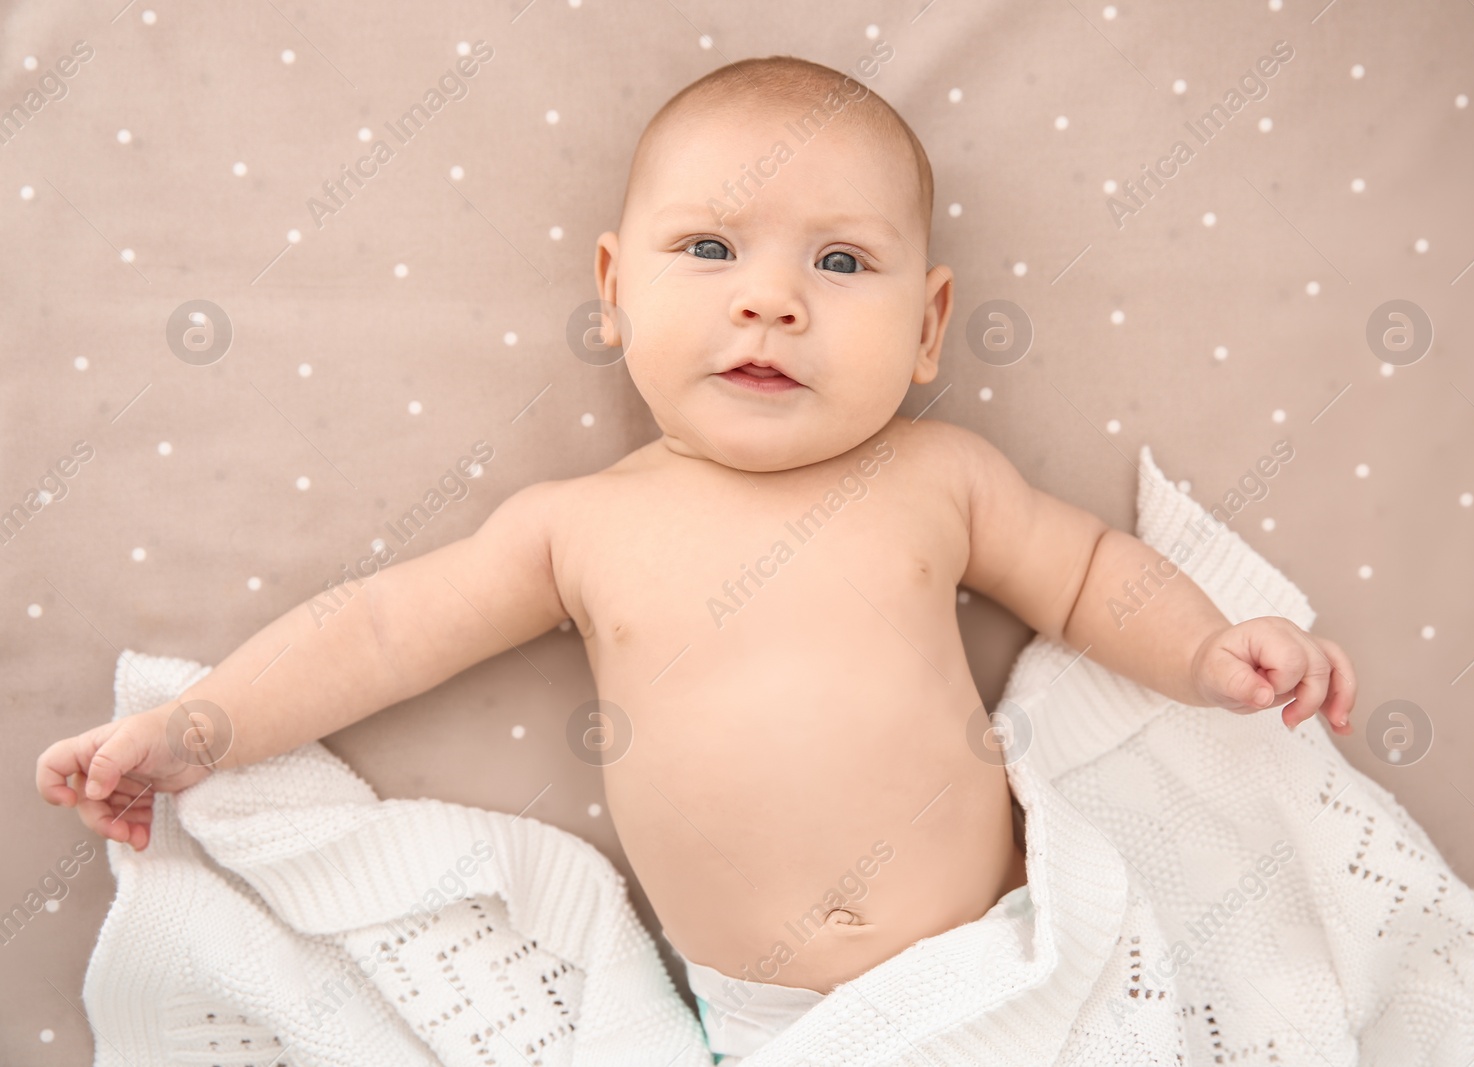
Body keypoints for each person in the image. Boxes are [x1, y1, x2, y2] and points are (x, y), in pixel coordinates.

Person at [37, 54, 1355, 1065]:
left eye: (841, 262)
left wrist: (1202, 647)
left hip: (1007, 968)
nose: (770, 299)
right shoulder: (576, 527)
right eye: (710, 249)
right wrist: (202, 728)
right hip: (754, 1020)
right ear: (615, 291)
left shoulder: (939, 481)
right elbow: (379, 632)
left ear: (928, 326)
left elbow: (1085, 579)